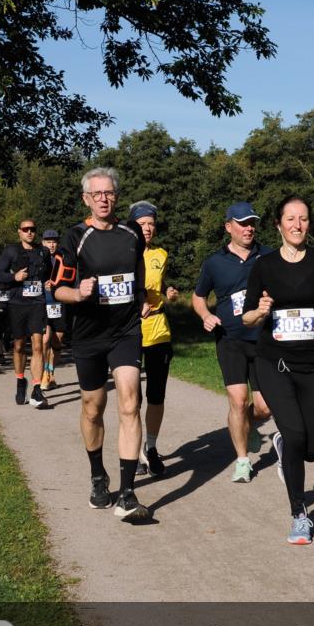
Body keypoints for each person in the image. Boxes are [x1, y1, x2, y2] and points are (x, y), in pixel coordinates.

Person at [242, 195, 314, 544]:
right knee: (298, 434)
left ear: (308, 224)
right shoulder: (264, 265)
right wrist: (262, 310)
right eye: (290, 219)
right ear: (279, 225)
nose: (297, 225)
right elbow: (247, 316)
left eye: (303, 219)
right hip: (275, 363)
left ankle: (286, 447)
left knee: (313, 447)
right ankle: (299, 513)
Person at [52, 167, 150, 521]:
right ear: (86, 199)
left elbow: (137, 270)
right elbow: (56, 288)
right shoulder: (75, 237)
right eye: (97, 194)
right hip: (89, 332)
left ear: (116, 196)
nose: (104, 199)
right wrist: (78, 293)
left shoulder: (131, 232)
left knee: (129, 400)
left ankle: (126, 493)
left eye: (109, 193)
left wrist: (140, 297)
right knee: (93, 406)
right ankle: (98, 474)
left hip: (125, 331)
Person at [192, 202, 273, 484]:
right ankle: (242, 461)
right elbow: (198, 296)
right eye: (242, 223)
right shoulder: (214, 262)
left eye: (252, 223)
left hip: (264, 340)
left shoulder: (269, 256)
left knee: (264, 408)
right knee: (238, 401)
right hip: (230, 340)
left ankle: (249, 426)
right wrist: (205, 315)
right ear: (229, 227)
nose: (249, 228)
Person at [127, 202, 179, 478]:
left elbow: (163, 285)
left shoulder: (161, 254)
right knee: (131, 398)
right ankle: (133, 452)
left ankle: (151, 448)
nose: (147, 228)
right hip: (131, 331)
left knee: (156, 395)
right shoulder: (122, 253)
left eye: (151, 224)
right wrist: (136, 305)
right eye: (142, 223)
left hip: (159, 329)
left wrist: (169, 293)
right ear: (133, 225)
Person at [0, 220, 52, 408]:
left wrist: (49, 283)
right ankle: (21, 381)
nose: (30, 232)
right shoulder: (11, 251)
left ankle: (37, 388)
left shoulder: (43, 251)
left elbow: (49, 273)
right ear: (19, 232)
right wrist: (14, 277)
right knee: (19, 346)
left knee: (38, 345)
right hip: (17, 303)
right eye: (26, 229)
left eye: (33, 229)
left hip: (37, 303)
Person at [41, 229, 66, 390]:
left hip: (59, 304)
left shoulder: (63, 258)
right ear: (43, 242)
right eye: (48, 241)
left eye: (54, 241)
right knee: (44, 340)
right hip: (43, 304)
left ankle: (51, 372)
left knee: (57, 341)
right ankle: (44, 373)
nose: (51, 244)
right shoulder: (38, 258)